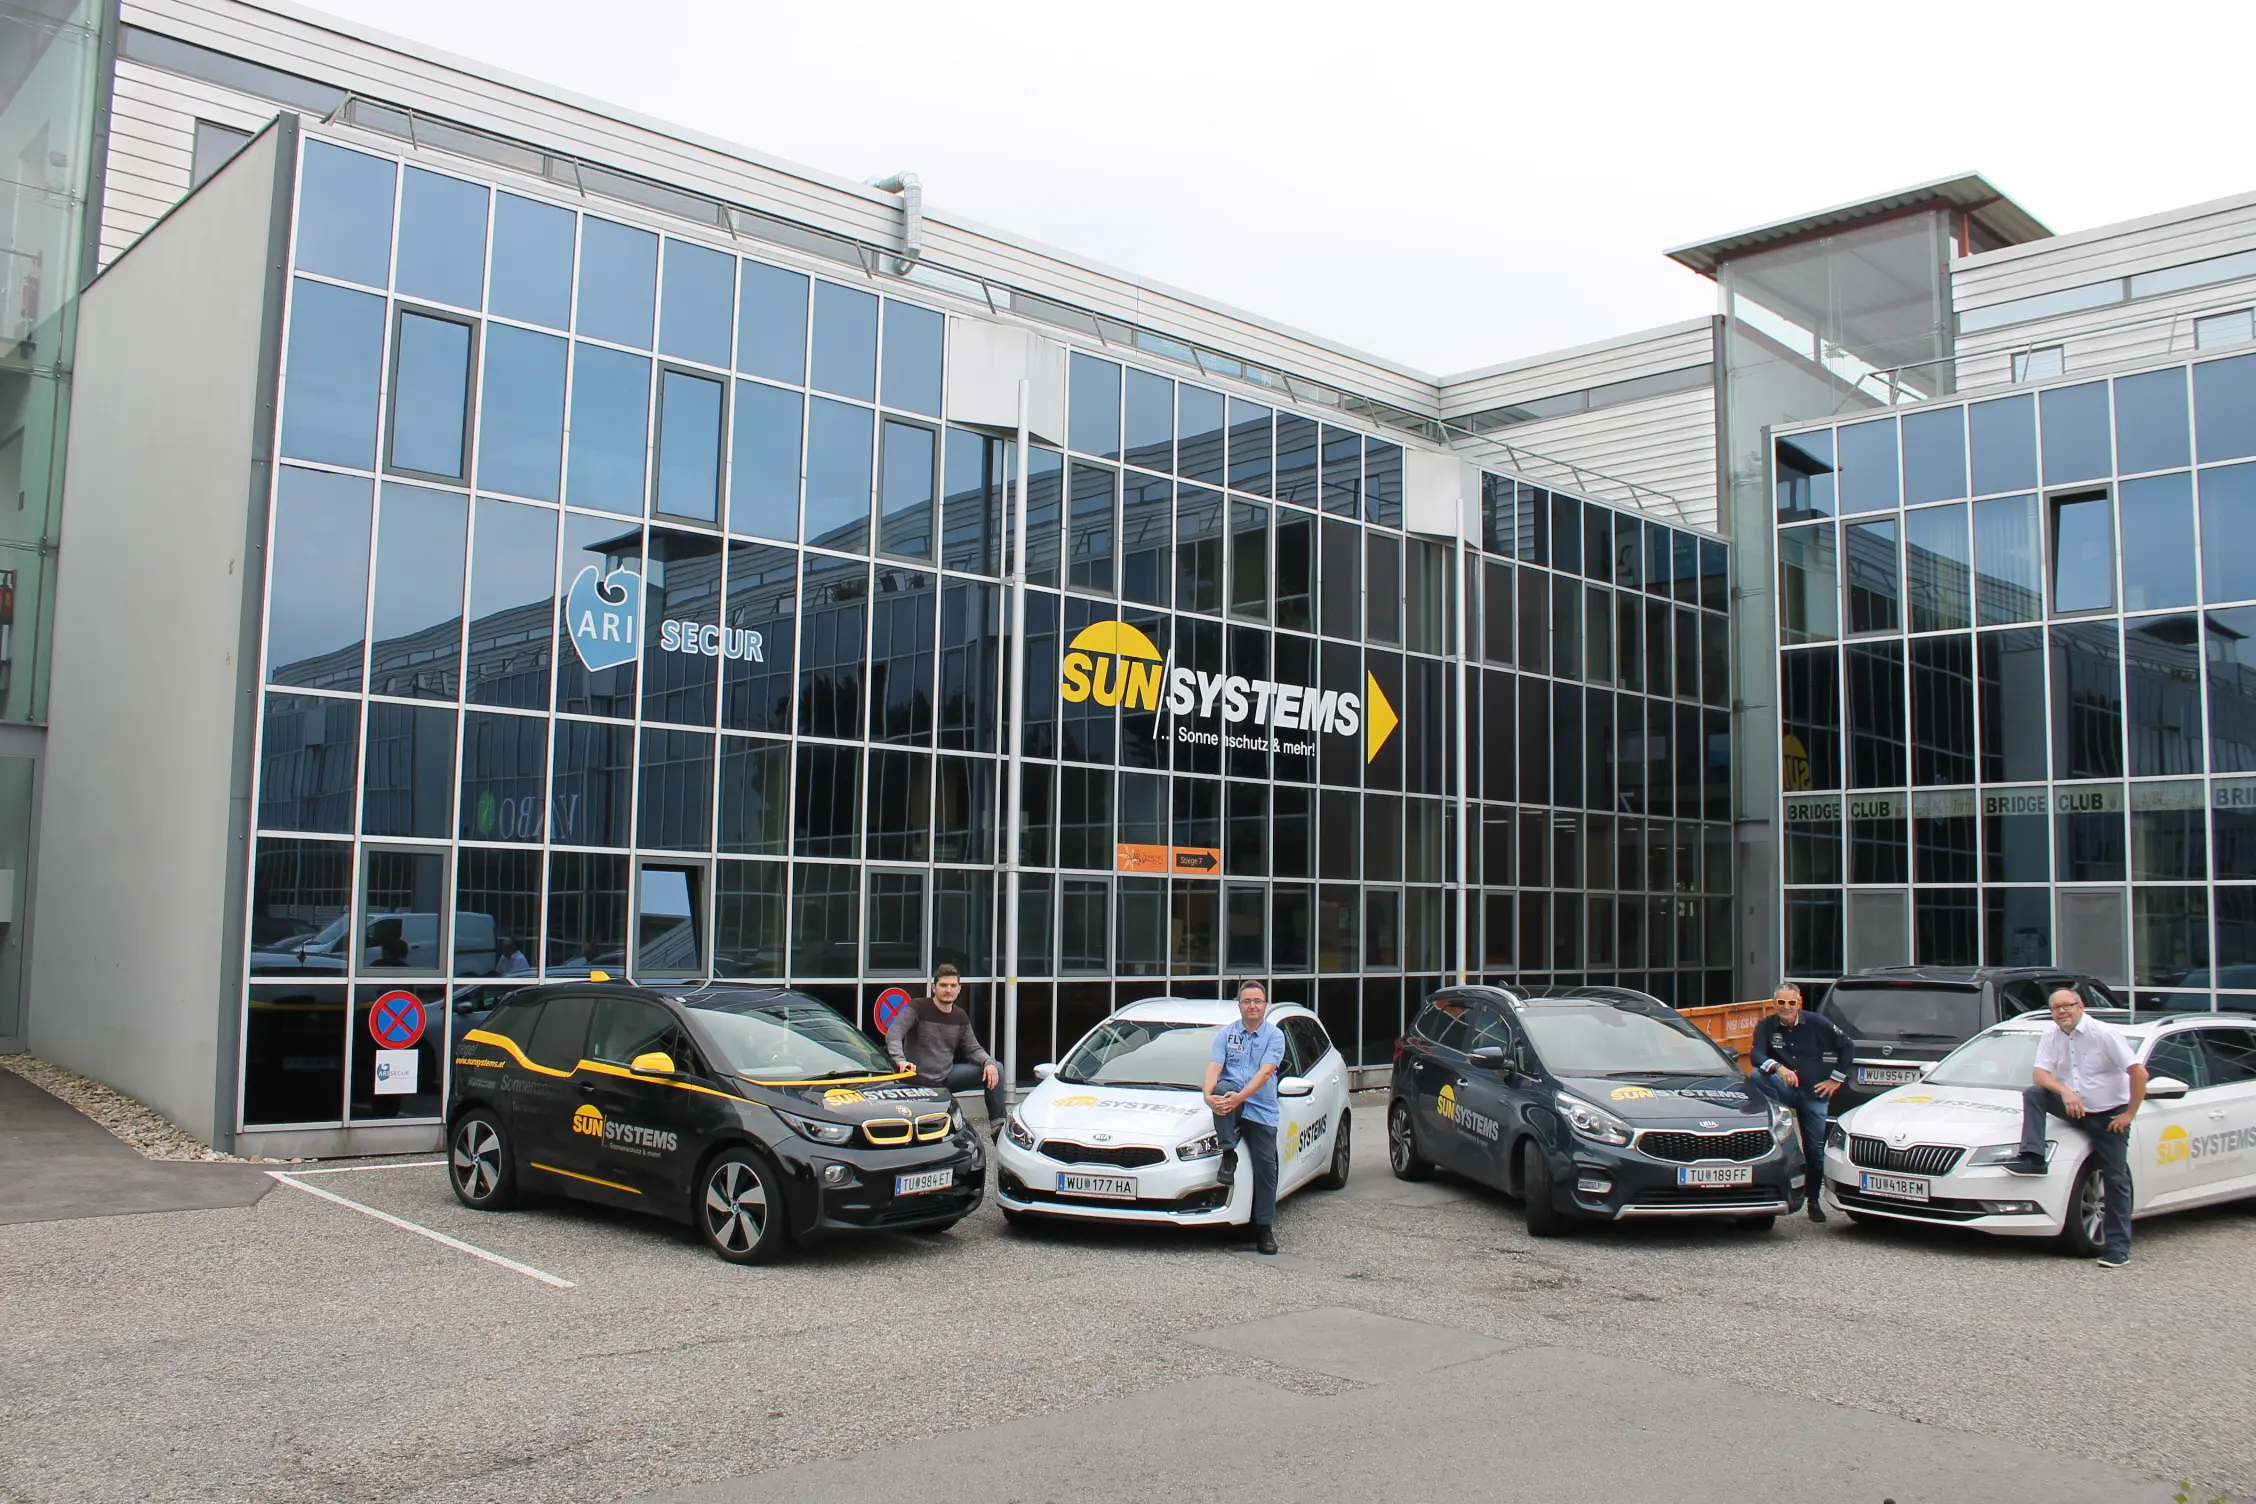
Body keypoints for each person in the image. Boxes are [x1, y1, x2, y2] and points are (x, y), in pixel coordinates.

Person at [2000, 988, 2146, 1268]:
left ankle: (2118, 1249)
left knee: (2115, 1180)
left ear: (2081, 1006)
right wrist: (2066, 1092)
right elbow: (2040, 1074)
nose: (2062, 1012)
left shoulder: (2104, 1034)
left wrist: (2129, 1113)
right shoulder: (2051, 1036)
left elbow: (2139, 1073)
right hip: (2074, 1107)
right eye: (2056, 1008)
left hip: (2107, 1115)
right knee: (2034, 1092)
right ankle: (2033, 1157)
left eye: (2067, 1006)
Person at [1746, 982, 1849, 1224]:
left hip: (1814, 1093)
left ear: (1799, 1003)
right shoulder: (1766, 1025)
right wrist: (1779, 1068)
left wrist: (1835, 1080)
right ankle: (1778, 1121)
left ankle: (1813, 1201)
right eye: (1781, 1003)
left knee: (1815, 1151)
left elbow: (1847, 1047)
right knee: (1758, 1075)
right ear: (1774, 1004)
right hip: (1785, 1090)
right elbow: (1756, 1056)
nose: (1786, 1007)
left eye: (1791, 1003)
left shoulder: (1816, 1023)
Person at [1202, 981, 1287, 1255]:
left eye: (1257, 1001)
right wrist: (1206, 1096)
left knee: (1267, 1168)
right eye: (1246, 1001)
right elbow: (1214, 1067)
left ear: (1265, 1005)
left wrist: (1242, 1097)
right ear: (1239, 1005)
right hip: (1231, 1104)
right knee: (1222, 1089)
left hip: (1260, 1109)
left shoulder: (1274, 1036)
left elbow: (1264, 1074)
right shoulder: (1226, 1035)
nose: (1252, 1005)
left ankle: (1264, 1229)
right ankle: (1228, 1152)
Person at [884, 964, 1005, 1131]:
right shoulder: (917, 1007)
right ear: (934, 987)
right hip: (917, 1080)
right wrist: (900, 1060)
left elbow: (973, 1049)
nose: (948, 990)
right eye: (943, 985)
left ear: (959, 988)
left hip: (946, 1077)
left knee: (996, 1067)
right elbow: (894, 1033)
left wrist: (988, 1062)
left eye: (953, 986)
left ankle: (998, 1127)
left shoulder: (960, 1016)